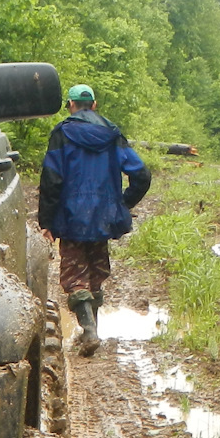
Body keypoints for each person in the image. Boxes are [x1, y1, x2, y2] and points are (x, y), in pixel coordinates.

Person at [37, 84, 150, 356]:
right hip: (103, 217)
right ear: (95, 105)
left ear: (71, 106)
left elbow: (52, 179)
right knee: (96, 272)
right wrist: (122, 204)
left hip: (71, 217)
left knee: (75, 276)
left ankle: (88, 331)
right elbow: (142, 175)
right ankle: (92, 329)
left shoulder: (62, 133)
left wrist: (46, 221)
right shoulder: (112, 134)